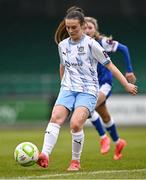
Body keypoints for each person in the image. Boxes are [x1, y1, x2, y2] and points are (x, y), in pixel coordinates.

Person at [37, 6, 137, 171]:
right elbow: (62, 66)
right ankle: (44, 155)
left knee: (76, 124)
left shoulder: (92, 44)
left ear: (82, 26)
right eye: (68, 27)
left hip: (88, 90)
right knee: (55, 118)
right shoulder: (62, 45)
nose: (70, 30)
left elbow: (110, 65)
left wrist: (126, 84)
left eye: (74, 27)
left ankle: (75, 161)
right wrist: (64, 84)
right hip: (68, 89)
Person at [84, 17, 137, 160]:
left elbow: (124, 49)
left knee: (88, 107)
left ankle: (103, 138)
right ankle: (119, 142)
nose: (87, 30)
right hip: (90, 86)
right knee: (105, 116)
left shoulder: (102, 42)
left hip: (104, 84)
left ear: (95, 29)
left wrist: (129, 70)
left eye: (90, 27)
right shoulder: (81, 45)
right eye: (85, 27)